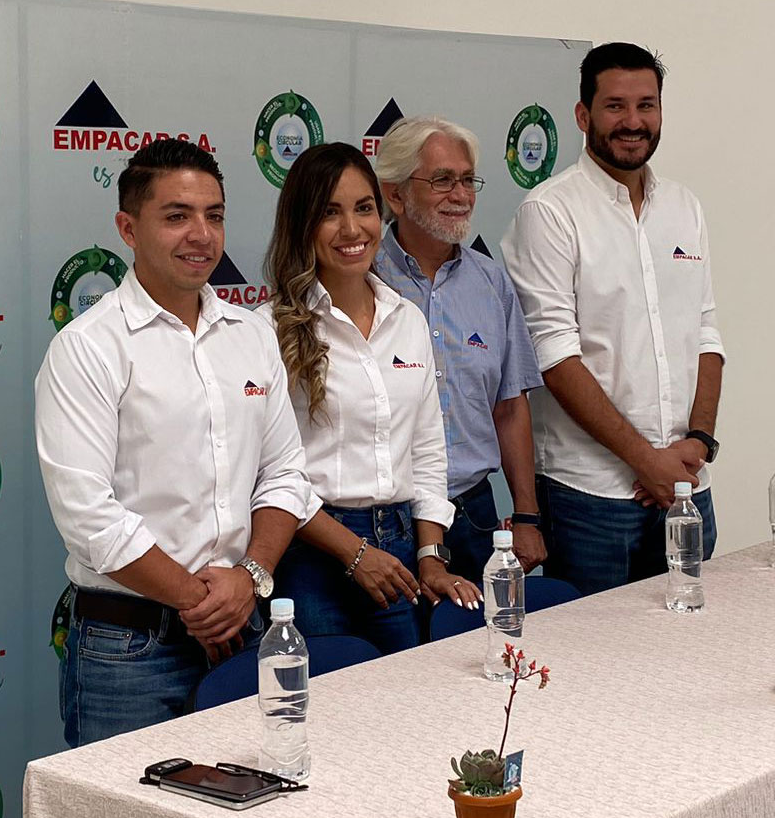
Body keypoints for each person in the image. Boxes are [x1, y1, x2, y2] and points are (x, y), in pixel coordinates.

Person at [36, 139, 313, 747]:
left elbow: (286, 474)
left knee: (256, 798)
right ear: (128, 229)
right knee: (121, 811)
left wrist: (250, 577)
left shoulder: (251, 334)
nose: (201, 235)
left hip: (244, 624)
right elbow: (88, 515)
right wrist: (201, 602)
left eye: (214, 215)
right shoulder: (88, 348)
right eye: (177, 216)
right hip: (128, 648)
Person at [501, 42, 725, 597]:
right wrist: (645, 461)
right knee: (593, 646)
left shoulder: (685, 206)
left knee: (690, 634)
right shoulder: (549, 212)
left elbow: (706, 332)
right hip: (589, 497)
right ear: (583, 116)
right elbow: (555, 358)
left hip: (687, 483)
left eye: (646, 105)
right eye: (615, 106)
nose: (633, 121)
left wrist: (699, 441)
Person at [258, 142, 482, 652]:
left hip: (400, 547)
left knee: (406, 693)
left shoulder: (407, 319)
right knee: (328, 695)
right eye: (329, 213)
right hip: (312, 551)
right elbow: (271, 474)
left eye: (363, 208)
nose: (352, 228)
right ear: (301, 224)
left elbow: (428, 451)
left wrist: (430, 556)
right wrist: (354, 552)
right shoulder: (268, 329)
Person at [371, 115, 546, 582]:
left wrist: (526, 516)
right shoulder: (361, 280)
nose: (461, 195)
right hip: (385, 520)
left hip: (473, 513)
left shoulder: (492, 283)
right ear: (395, 195)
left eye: (468, 180)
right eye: (443, 180)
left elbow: (510, 407)